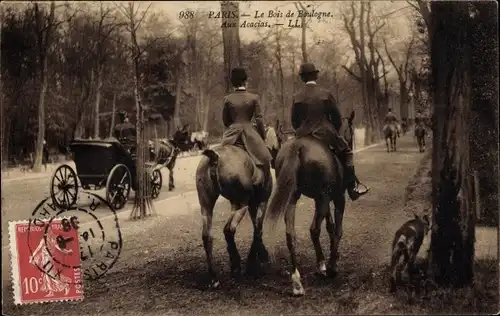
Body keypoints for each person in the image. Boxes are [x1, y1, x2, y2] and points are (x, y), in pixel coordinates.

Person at [291, 63, 369, 201]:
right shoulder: (326, 94)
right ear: (316, 76)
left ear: (302, 78)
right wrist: (333, 129)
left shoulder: (297, 96)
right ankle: (352, 188)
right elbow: (337, 118)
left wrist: (301, 130)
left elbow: (294, 122)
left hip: (303, 134)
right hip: (325, 132)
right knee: (347, 153)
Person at [221, 67, 272, 182]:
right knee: (264, 157)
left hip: (232, 133)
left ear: (233, 83)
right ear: (245, 81)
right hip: (249, 132)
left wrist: (232, 127)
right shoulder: (254, 98)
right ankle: (265, 186)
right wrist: (262, 137)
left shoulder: (227, 99)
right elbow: (259, 119)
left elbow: (225, 121)